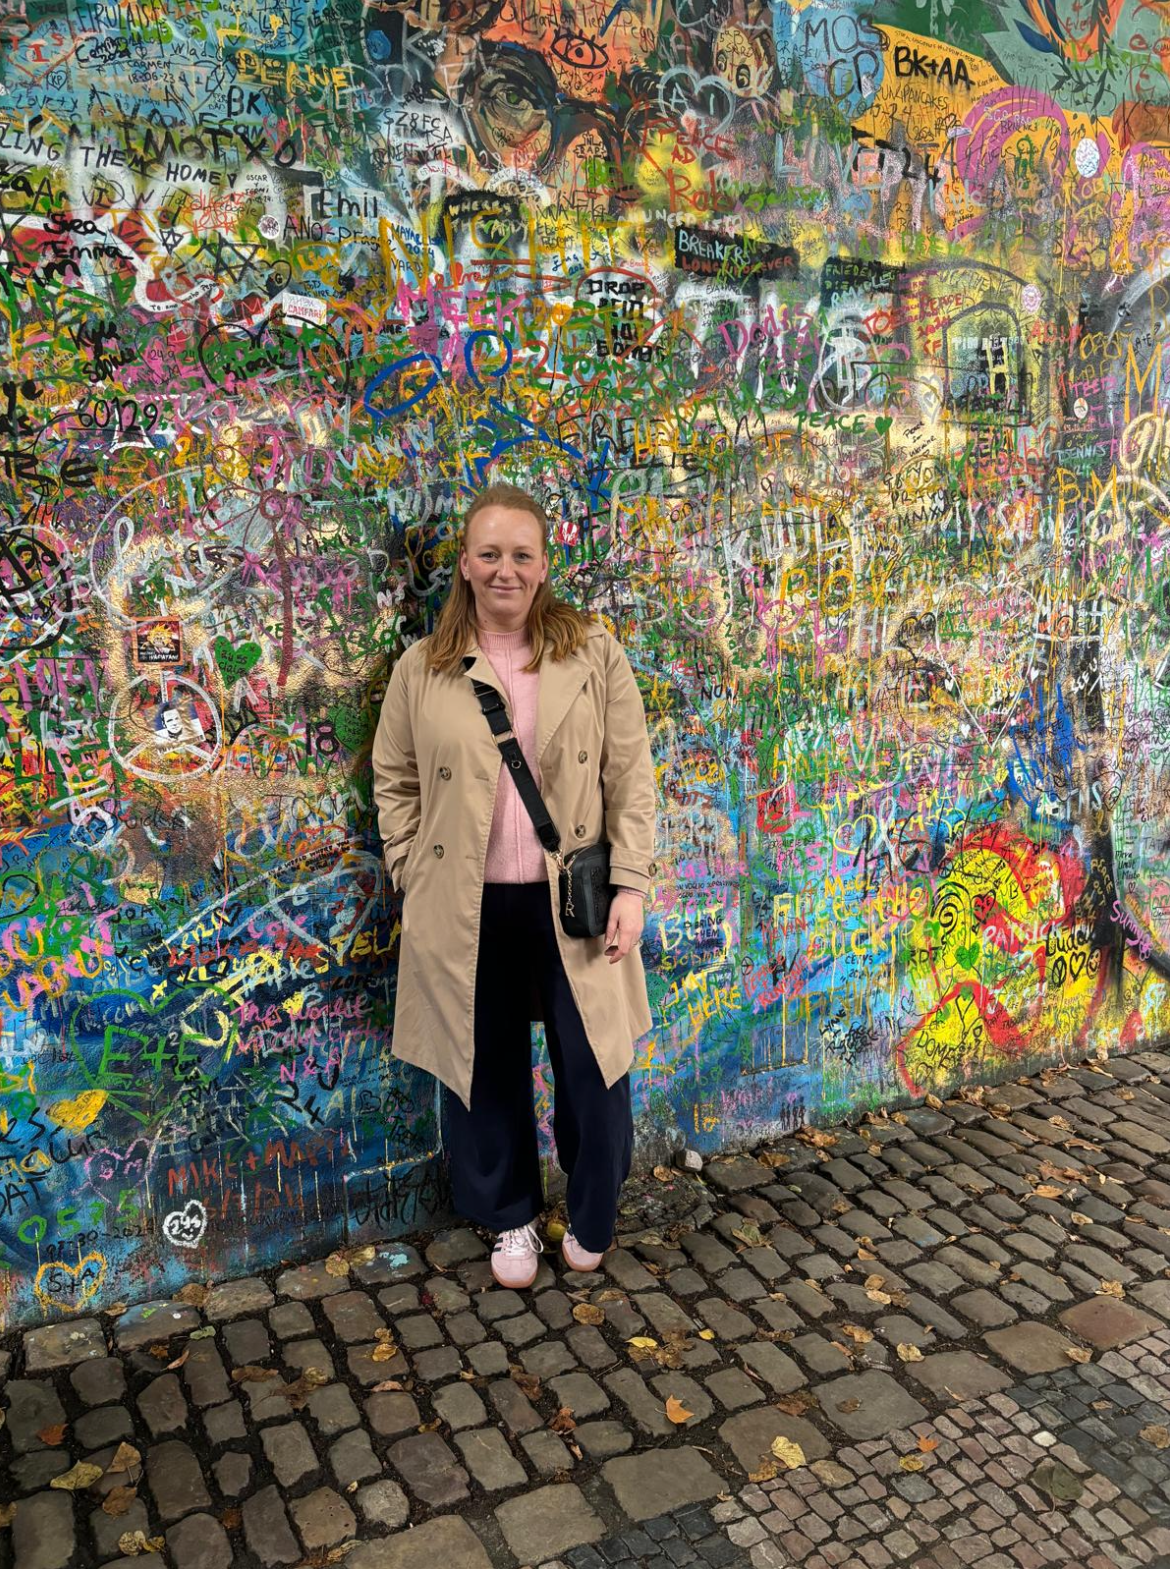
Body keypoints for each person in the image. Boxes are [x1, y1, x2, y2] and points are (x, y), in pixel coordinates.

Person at [372, 482, 656, 1288]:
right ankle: (509, 1219)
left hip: (574, 898)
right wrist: (408, 865)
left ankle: (593, 1208)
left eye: (520, 554)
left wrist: (630, 885)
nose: (505, 569)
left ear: (543, 564)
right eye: (489, 553)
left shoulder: (590, 652)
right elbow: (393, 778)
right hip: (464, 902)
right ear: (464, 565)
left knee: (594, 1064)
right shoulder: (423, 671)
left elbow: (631, 775)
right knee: (481, 1065)